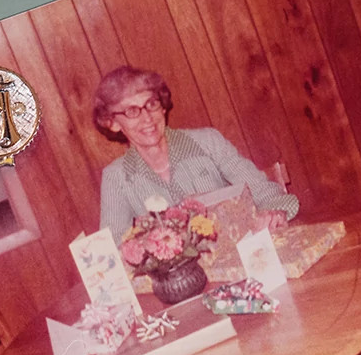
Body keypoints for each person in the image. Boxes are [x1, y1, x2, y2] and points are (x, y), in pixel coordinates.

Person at [94, 66, 299, 239]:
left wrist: (273, 213)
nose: (147, 118)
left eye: (151, 104)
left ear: (162, 106)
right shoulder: (116, 178)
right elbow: (115, 248)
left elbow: (266, 192)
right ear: (112, 123)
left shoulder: (207, 142)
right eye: (132, 111)